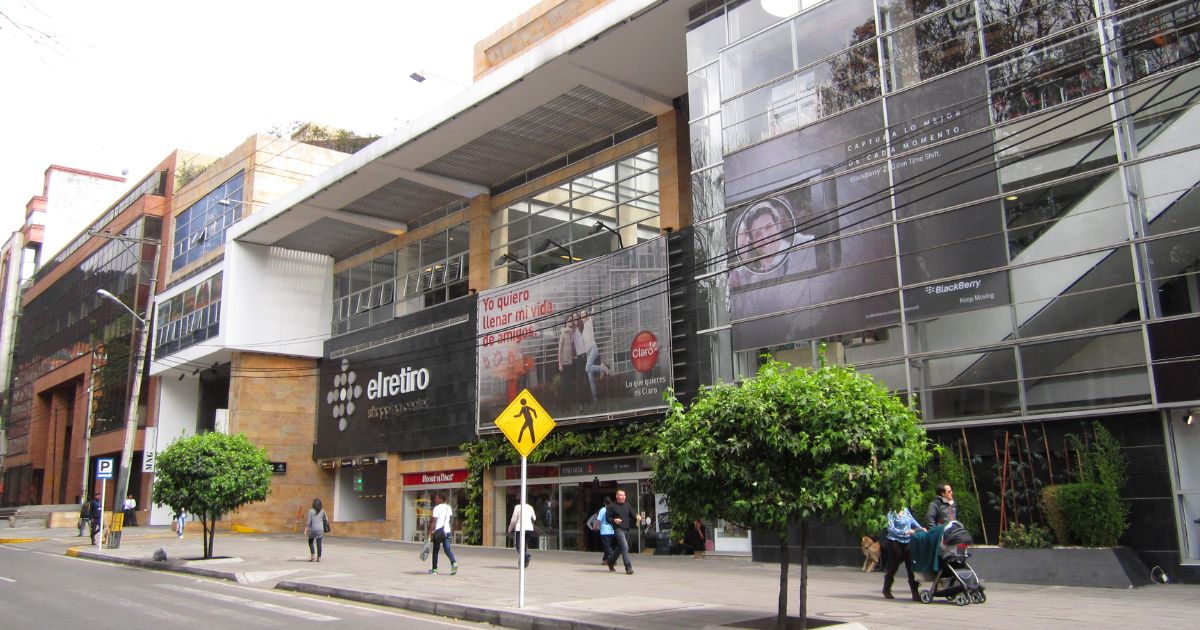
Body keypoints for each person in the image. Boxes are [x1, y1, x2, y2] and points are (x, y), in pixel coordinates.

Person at [882, 505, 925, 600]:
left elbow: (912, 521)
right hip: (894, 541)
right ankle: (886, 588)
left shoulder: (905, 510)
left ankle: (915, 592)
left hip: (907, 540)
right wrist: (904, 532)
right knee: (894, 565)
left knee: (911, 565)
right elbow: (890, 528)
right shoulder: (891, 512)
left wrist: (921, 528)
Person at [605, 489, 637, 575]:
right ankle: (628, 567)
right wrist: (614, 520)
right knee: (625, 547)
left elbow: (633, 515)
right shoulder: (612, 506)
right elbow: (607, 518)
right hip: (618, 529)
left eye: (624, 495)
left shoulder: (627, 505)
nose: (623, 497)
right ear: (617, 496)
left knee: (620, 548)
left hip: (626, 529)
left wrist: (638, 517)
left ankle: (610, 562)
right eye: (621, 495)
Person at [427, 494, 458, 575]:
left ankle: (434, 569)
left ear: (441, 499)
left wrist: (430, 533)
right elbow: (450, 519)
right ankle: (454, 563)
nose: (435, 499)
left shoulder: (436, 508)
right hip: (447, 531)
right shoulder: (449, 507)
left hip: (438, 532)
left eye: (436, 498)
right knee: (447, 549)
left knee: (436, 550)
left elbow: (434, 521)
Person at [507, 499, 537, 568]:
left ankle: (526, 557)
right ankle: (523, 562)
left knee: (518, 545)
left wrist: (509, 529)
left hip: (520, 529)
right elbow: (534, 518)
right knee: (524, 544)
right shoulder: (530, 507)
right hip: (529, 529)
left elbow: (513, 520)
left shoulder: (517, 507)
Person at [304, 498, 327, 562]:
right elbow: (326, 519)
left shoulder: (310, 511)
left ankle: (313, 555)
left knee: (310, 541)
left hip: (313, 529)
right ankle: (319, 557)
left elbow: (309, 521)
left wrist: (306, 529)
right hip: (320, 529)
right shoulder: (323, 511)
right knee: (319, 543)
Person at [595, 496, 615, 565]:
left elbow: (598, 519)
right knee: (608, 545)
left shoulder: (603, 509)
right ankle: (605, 559)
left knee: (607, 546)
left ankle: (613, 559)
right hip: (612, 530)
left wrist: (595, 526)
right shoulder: (612, 509)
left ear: (604, 502)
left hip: (604, 530)